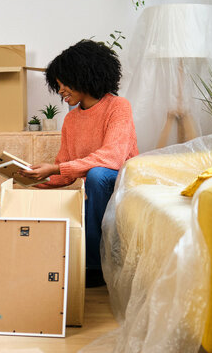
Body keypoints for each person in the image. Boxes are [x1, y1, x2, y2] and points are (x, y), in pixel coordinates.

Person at [19, 39, 139, 287]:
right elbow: (65, 171)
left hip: (122, 183)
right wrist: (30, 179)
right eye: (58, 85)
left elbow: (112, 157)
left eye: (65, 83)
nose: (60, 90)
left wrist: (56, 168)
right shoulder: (71, 121)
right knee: (82, 187)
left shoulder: (118, 107)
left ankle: (95, 266)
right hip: (96, 188)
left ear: (84, 76)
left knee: (97, 174)